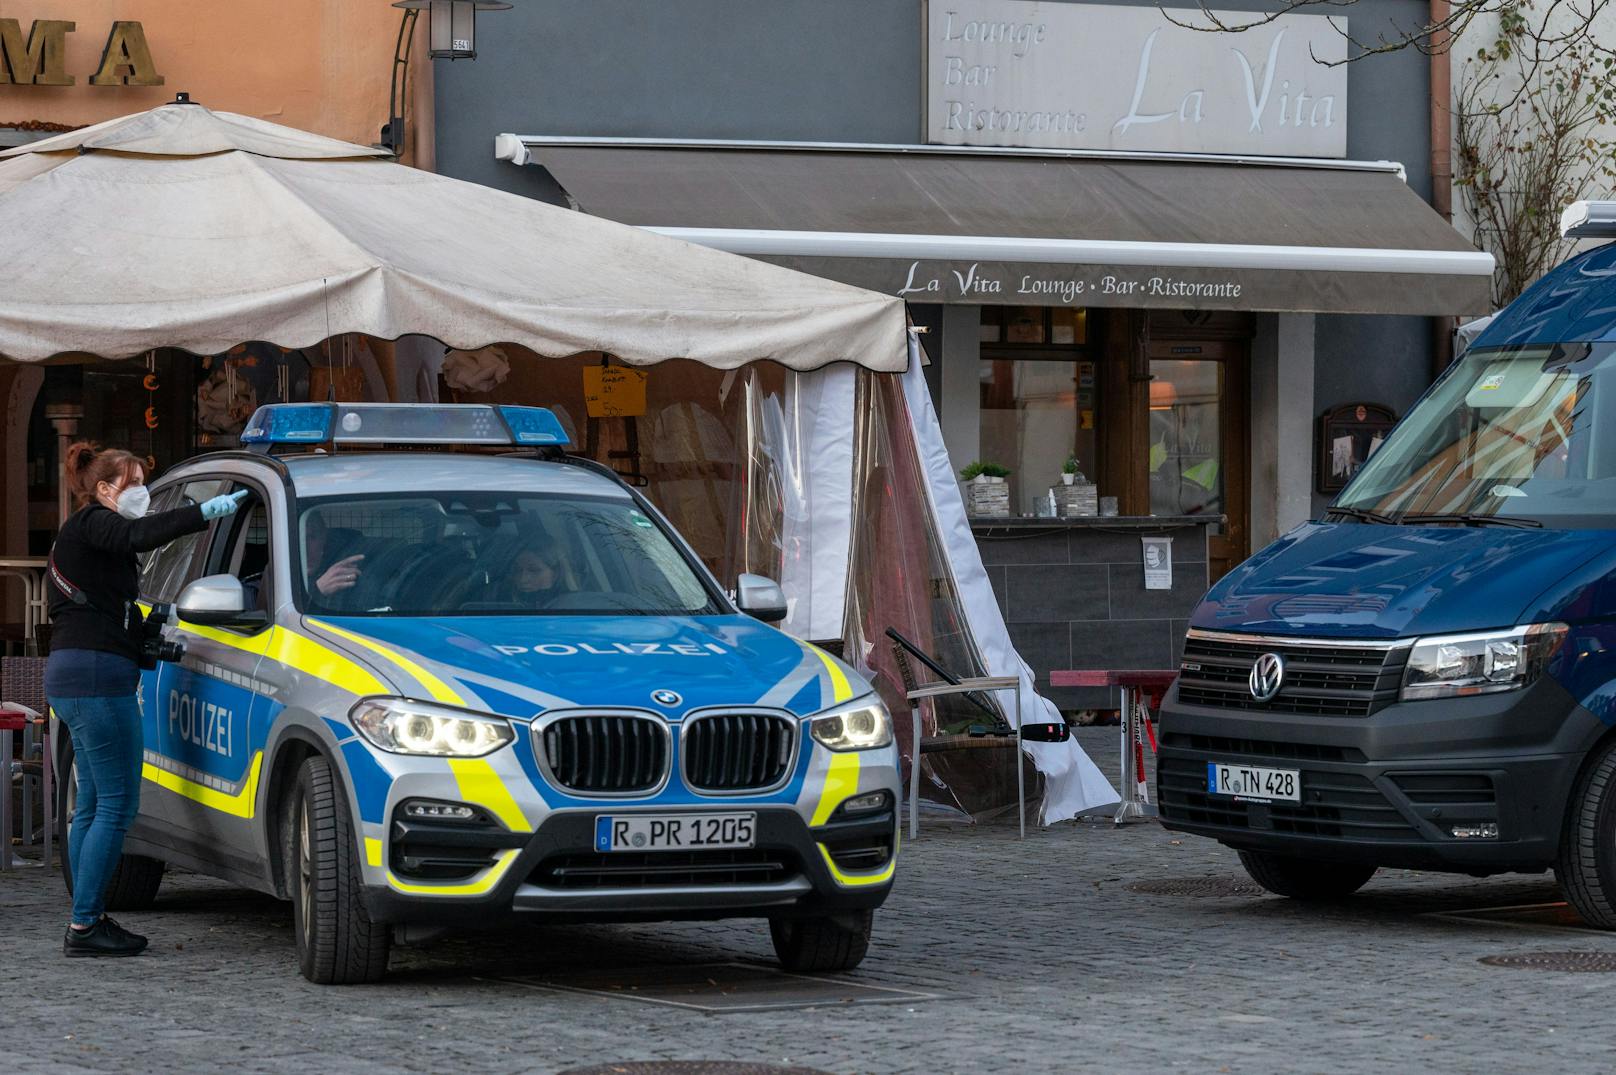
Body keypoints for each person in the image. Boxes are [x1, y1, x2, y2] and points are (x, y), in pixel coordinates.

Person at [46, 443, 246, 957]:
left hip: (76, 674)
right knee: (116, 804)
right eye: (133, 484)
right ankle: (85, 924)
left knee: (91, 804)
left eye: (143, 482)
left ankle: (84, 917)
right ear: (105, 488)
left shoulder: (88, 537)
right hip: (97, 678)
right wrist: (202, 511)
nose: (141, 494)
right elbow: (139, 532)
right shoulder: (93, 523)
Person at [302, 512, 365, 600]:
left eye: (311, 537)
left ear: (324, 538)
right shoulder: (280, 574)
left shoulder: (343, 568)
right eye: (299, 539)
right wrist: (317, 590)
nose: (305, 549)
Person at [499, 548, 563, 608]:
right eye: (517, 570)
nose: (523, 579)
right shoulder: (498, 605)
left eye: (534, 570)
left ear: (555, 574)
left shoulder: (567, 606)